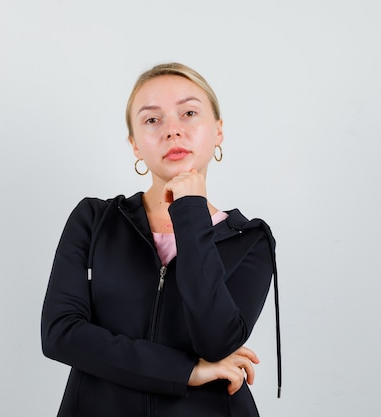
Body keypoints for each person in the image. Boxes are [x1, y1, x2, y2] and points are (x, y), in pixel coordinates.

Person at [41, 62, 281, 417]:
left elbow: (216, 342)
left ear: (218, 131)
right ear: (135, 145)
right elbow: (61, 335)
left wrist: (191, 212)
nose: (172, 130)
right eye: (152, 120)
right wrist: (186, 371)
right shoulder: (93, 220)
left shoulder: (251, 241)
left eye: (189, 113)